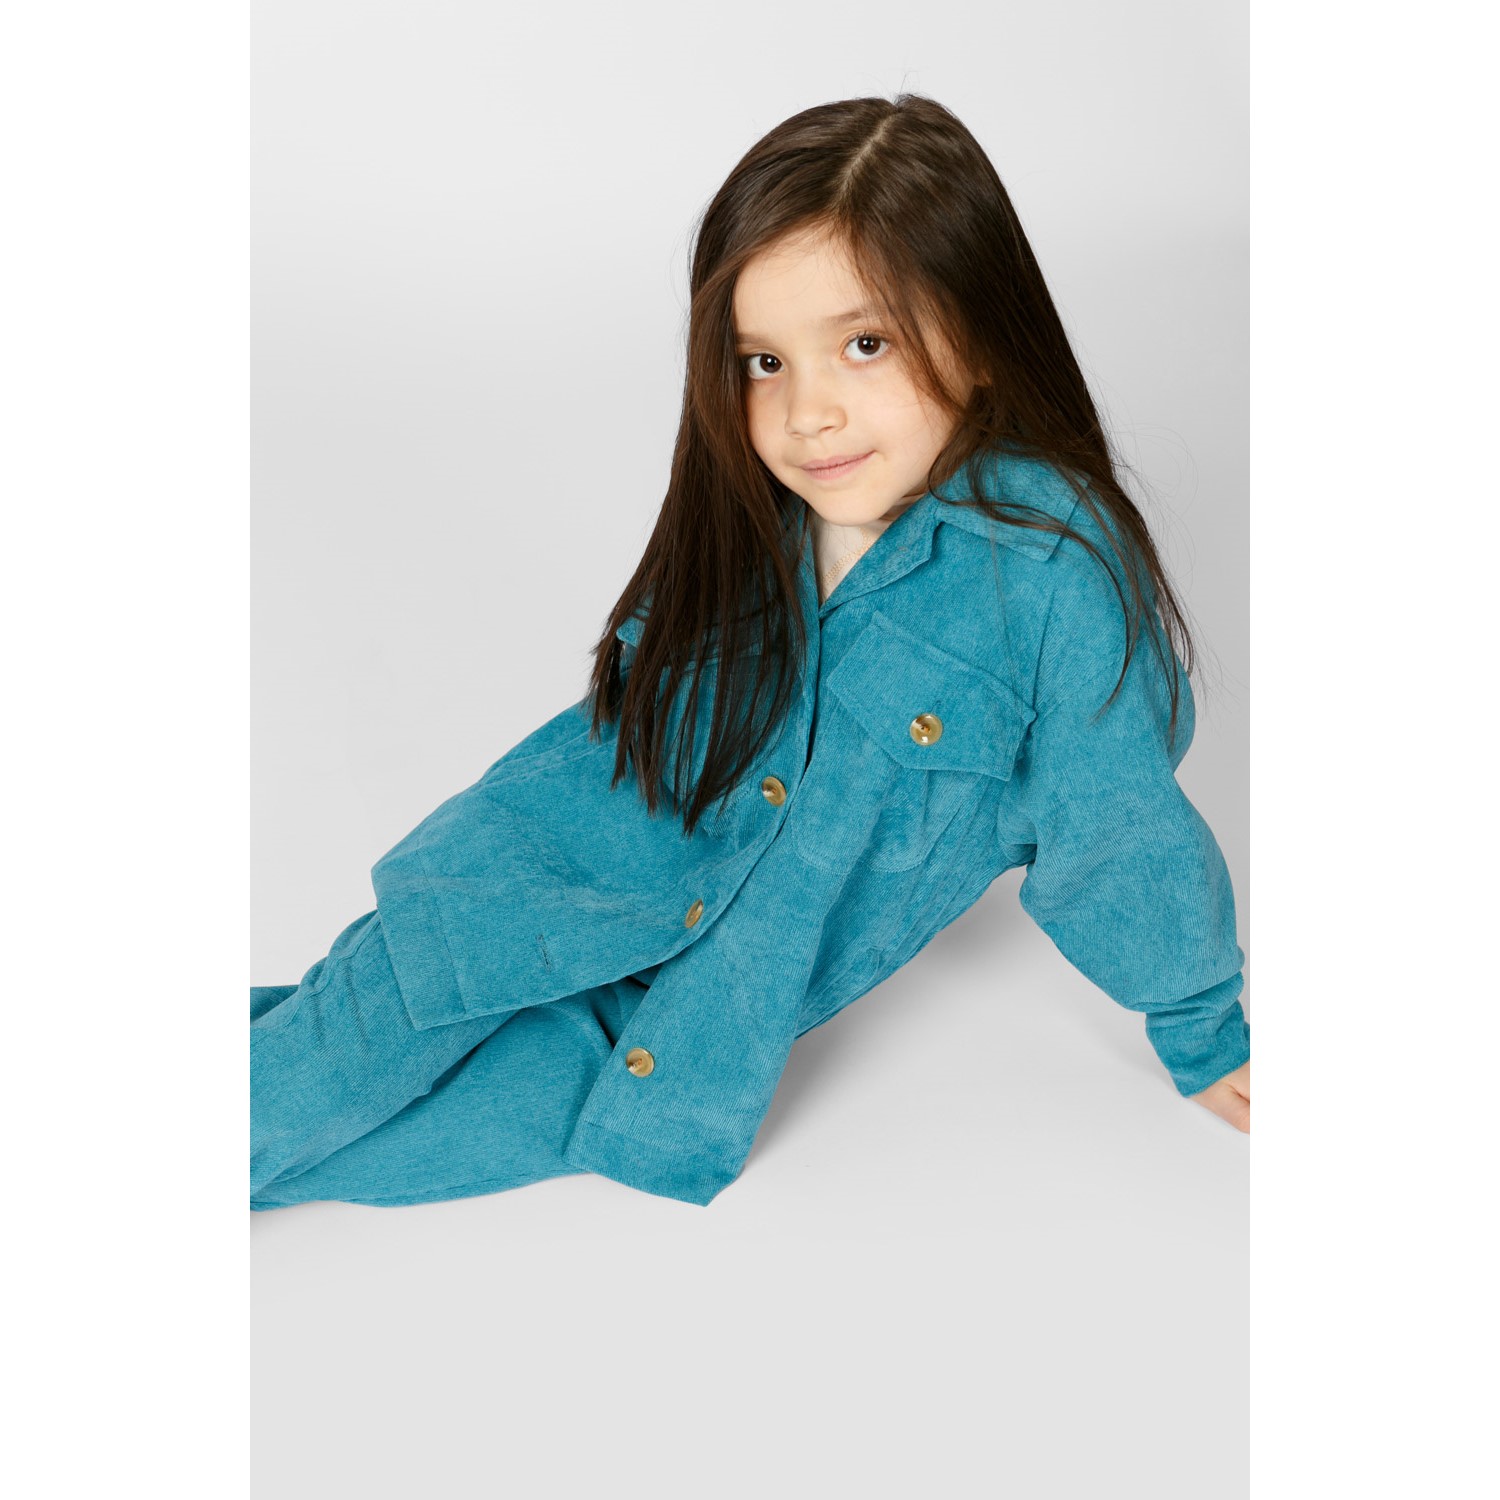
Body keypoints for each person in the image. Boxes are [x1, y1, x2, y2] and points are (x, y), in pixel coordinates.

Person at [251, 92, 1250, 1212]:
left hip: (693, 1015)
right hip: (527, 876)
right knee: (293, 1083)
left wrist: (1204, 1026)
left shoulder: (1049, 573)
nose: (806, 414)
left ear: (978, 335)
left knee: (399, 1147)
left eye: (863, 345)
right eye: (764, 362)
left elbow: (1114, 829)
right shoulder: (754, 506)